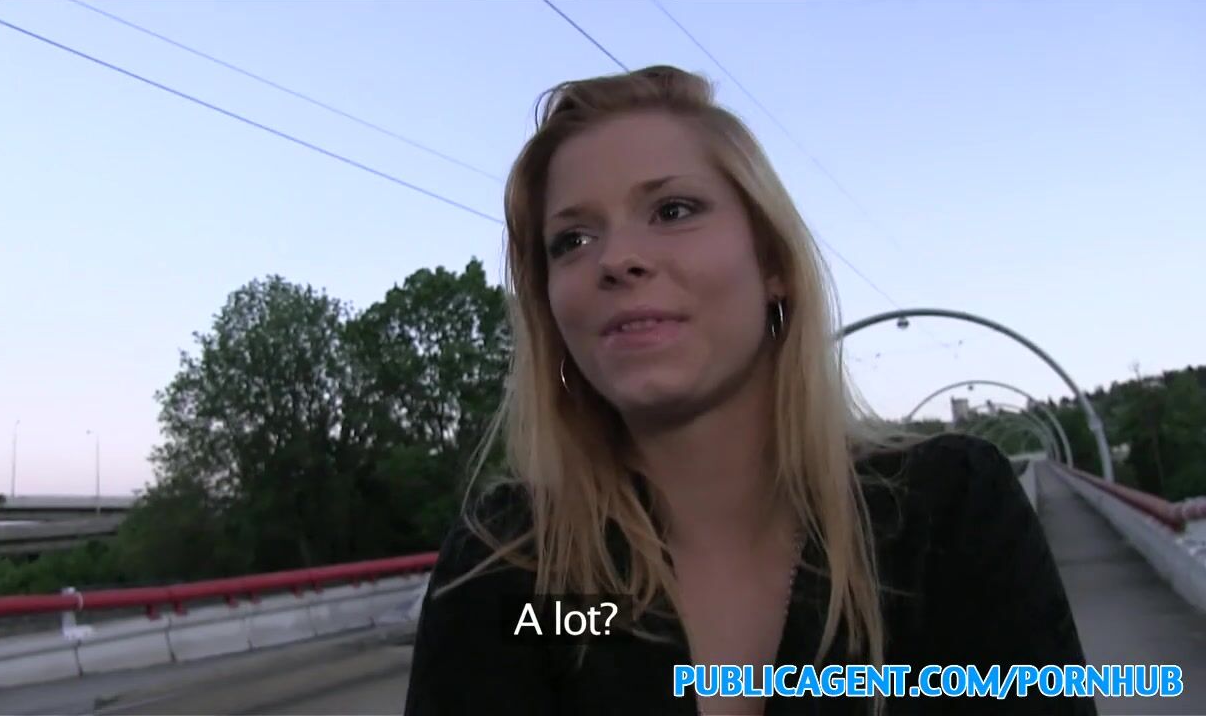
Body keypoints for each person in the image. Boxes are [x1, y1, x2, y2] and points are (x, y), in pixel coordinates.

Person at [403, 65, 1095, 716]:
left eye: (673, 210)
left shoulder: (945, 513)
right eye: (572, 240)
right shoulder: (509, 566)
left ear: (772, 264)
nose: (616, 259)